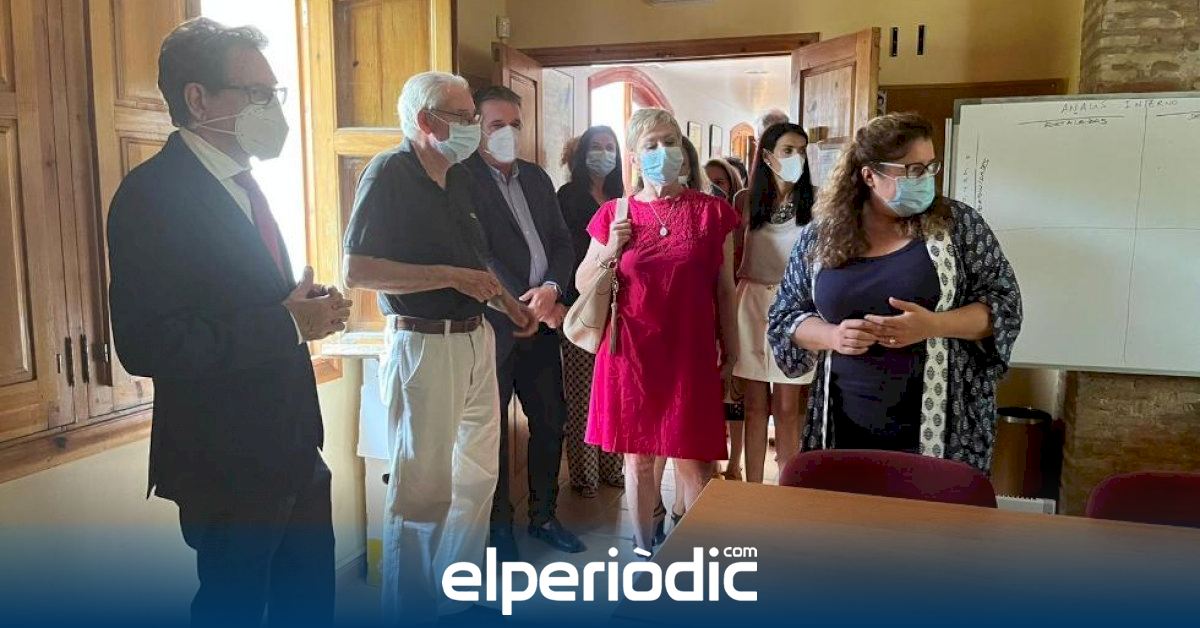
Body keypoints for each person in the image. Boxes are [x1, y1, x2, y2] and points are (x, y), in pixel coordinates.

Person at [106, 18, 351, 627]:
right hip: (225, 462)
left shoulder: (245, 187)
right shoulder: (152, 196)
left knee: (309, 607)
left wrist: (305, 308)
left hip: (295, 447)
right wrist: (288, 324)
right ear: (198, 99)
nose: (274, 109)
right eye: (258, 93)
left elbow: (241, 299)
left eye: (275, 93)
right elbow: (149, 343)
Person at [342, 71, 537, 623]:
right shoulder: (389, 172)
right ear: (427, 121)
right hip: (423, 345)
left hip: (476, 338)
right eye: (464, 116)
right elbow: (357, 270)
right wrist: (448, 277)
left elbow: (475, 265)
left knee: (477, 476)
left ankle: (455, 596)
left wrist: (510, 306)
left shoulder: (460, 178)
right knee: (422, 490)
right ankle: (410, 609)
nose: (474, 126)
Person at [767, 112, 1023, 469]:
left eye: (930, 167)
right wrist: (832, 335)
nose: (926, 178)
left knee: (930, 504)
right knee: (845, 502)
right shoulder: (821, 235)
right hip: (843, 424)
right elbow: (785, 315)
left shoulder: (958, 226)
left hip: (943, 428)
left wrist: (933, 325)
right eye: (912, 170)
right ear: (869, 175)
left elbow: (1003, 306)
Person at [575, 108, 739, 556]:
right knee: (639, 458)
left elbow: (725, 290)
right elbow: (583, 282)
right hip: (631, 353)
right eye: (651, 145)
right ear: (633, 156)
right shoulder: (614, 213)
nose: (663, 151)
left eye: (670, 141)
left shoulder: (713, 213)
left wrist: (733, 351)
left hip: (691, 352)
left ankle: (692, 549)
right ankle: (644, 548)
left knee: (696, 463)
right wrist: (612, 247)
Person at [463, 85, 584, 559]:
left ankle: (544, 515)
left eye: (515, 124)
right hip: (495, 327)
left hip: (542, 323)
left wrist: (551, 288)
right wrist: (520, 304)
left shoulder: (535, 177)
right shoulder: (461, 178)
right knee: (491, 432)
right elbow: (479, 254)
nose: (508, 133)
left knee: (551, 420)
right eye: (497, 125)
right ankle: (499, 529)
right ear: (476, 128)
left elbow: (561, 241)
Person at [735, 123, 816, 483]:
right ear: (768, 156)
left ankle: (788, 486)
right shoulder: (745, 200)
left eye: (802, 150)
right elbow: (734, 256)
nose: (797, 157)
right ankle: (753, 486)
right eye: (788, 150)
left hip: (794, 305)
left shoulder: (817, 201)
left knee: (787, 406)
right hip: (752, 303)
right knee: (754, 406)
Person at [556, 126, 626, 499]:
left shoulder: (622, 198)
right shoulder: (568, 196)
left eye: (609, 147)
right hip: (579, 303)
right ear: (582, 153)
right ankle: (585, 474)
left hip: (618, 307)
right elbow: (564, 250)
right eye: (596, 147)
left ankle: (613, 467)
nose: (603, 153)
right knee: (583, 394)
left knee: (613, 391)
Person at [704, 157, 750, 480]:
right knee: (713, 393)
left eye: (720, 182)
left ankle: (736, 460)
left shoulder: (738, 220)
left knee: (735, 391)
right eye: (708, 181)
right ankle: (714, 458)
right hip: (707, 310)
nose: (714, 188)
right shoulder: (704, 219)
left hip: (739, 307)